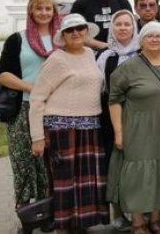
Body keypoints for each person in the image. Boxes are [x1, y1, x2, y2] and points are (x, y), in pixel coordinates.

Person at [28, 13, 109, 232]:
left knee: (86, 182)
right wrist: (37, 137)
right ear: (63, 35)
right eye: (70, 30)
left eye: (80, 28)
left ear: (86, 31)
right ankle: (63, 228)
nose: (76, 33)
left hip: (90, 128)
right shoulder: (56, 59)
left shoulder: (91, 54)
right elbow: (37, 98)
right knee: (64, 183)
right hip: (61, 130)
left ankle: (82, 225)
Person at [107, 22, 160, 234]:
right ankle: (138, 223)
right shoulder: (128, 67)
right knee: (139, 176)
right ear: (141, 40)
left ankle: (156, 219)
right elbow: (114, 100)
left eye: (159, 36)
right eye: (149, 36)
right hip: (137, 128)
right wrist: (118, 131)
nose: (154, 39)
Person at [0, 0, 59, 213]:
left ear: (54, 12)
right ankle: (25, 212)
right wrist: (34, 88)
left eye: (48, 9)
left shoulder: (63, 39)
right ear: (31, 11)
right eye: (39, 8)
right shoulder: (17, 40)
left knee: (50, 163)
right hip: (24, 106)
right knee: (24, 161)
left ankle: (48, 211)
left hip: (56, 108)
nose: (44, 13)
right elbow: (2, 75)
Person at [94, 9, 140, 231]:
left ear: (134, 28)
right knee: (116, 163)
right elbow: (98, 89)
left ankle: (141, 211)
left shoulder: (142, 53)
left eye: (127, 24)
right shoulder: (105, 57)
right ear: (112, 28)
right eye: (118, 24)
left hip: (140, 116)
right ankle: (119, 213)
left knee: (139, 163)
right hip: (111, 118)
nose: (123, 28)